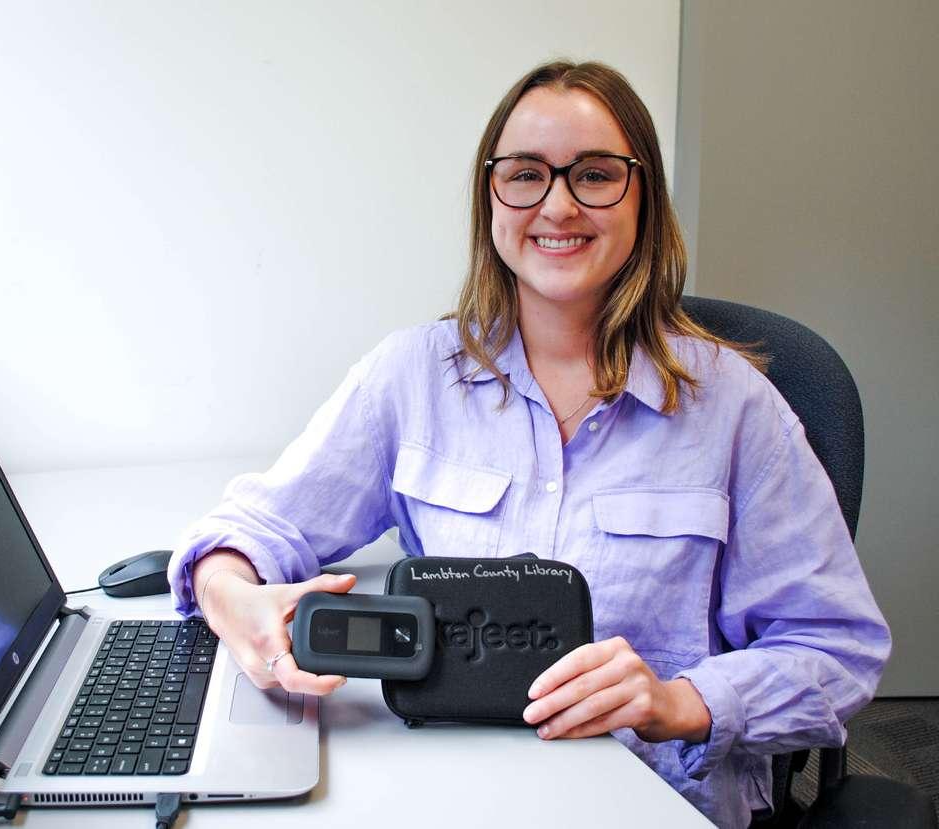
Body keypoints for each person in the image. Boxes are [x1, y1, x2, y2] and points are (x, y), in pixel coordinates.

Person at [167, 60, 890, 828]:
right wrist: (234, 599)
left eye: (595, 174)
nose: (557, 204)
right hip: (449, 792)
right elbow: (248, 529)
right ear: (491, 197)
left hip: (646, 802)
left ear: (643, 198)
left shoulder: (736, 408)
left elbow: (838, 646)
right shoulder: (413, 377)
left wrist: (682, 701)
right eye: (525, 175)